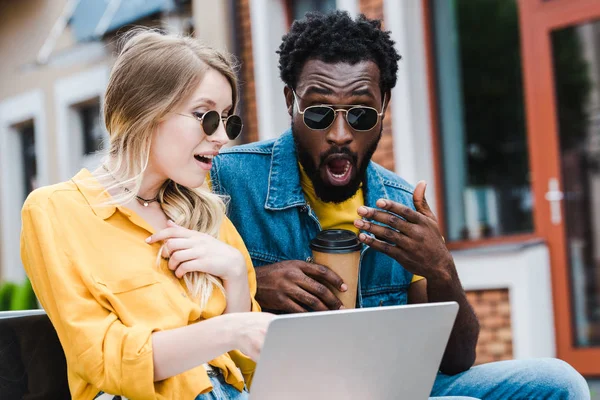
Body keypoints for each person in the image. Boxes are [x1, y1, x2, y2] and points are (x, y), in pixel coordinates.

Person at [210, 11, 590, 400]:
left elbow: (456, 360)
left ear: (383, 107)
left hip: (382, 388)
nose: (339, 135)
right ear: (291, 101)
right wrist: (252, 286)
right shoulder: (227, 180)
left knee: (558, 381)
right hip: (268, 390)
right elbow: (165, 305)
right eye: (320, 113)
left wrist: (441, 269)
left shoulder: (401, 203)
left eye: (360, 114)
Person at [20, 30, 272, 400]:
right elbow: (104, 359)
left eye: (228, 121)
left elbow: (251, 370)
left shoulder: (207, 214)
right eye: (205, 116)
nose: (221, 136)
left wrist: (235, 274)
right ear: (145, 109)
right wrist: (231, 328)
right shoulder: (55, 210)